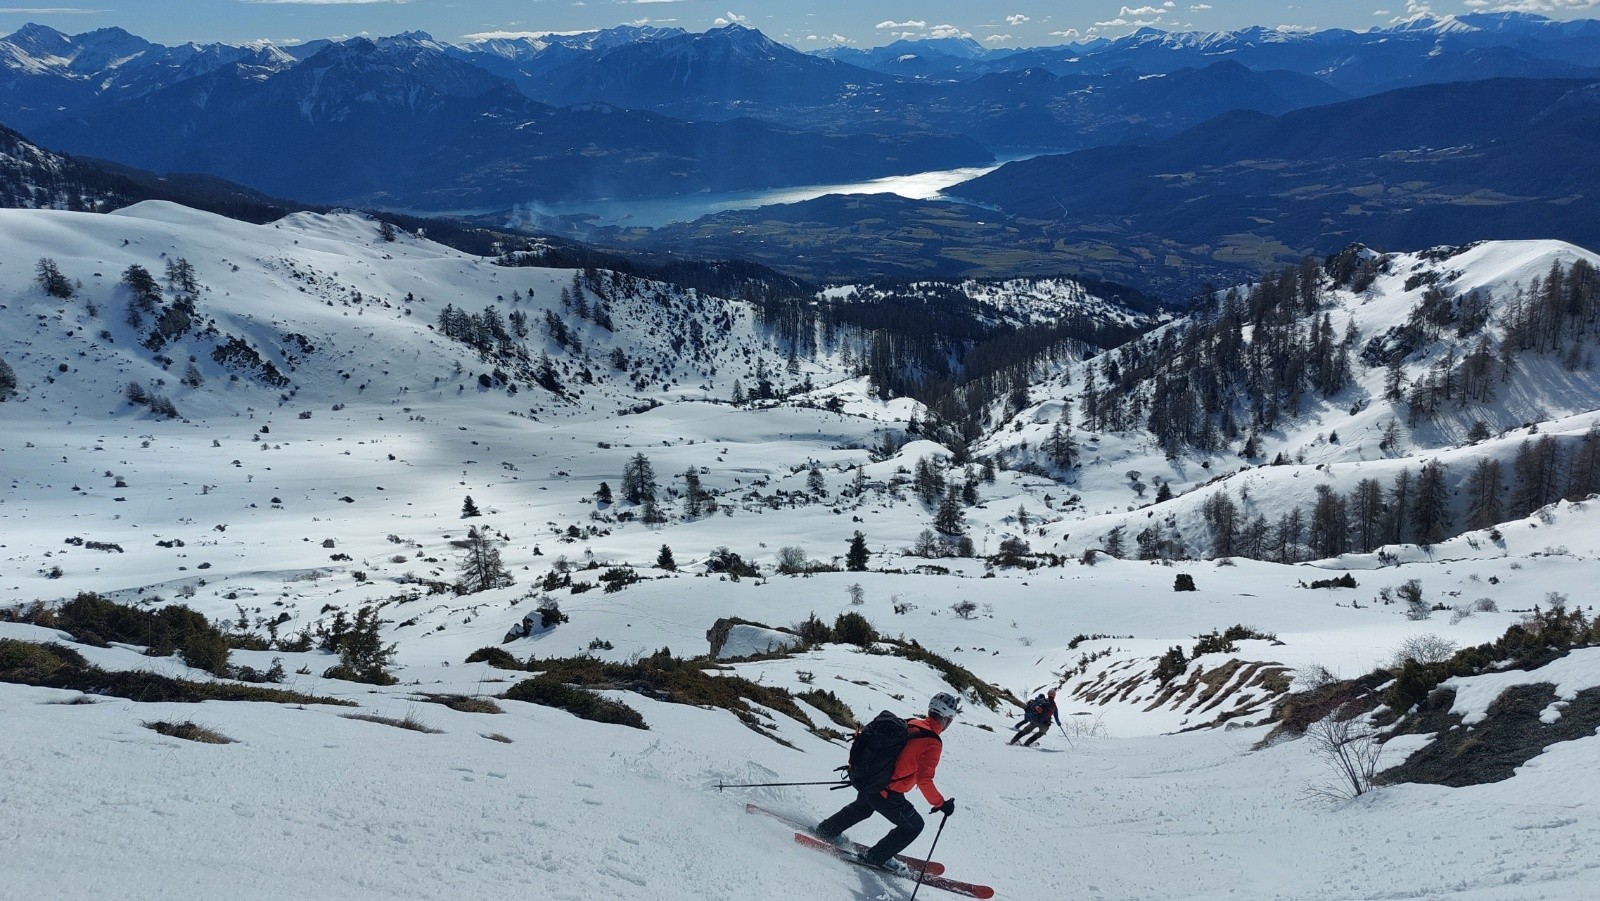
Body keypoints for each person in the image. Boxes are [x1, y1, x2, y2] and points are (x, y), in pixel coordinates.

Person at [813, 692, 960, 876]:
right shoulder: (932, 742)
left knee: (863, 807)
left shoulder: (912, 723)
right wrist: (941, 804)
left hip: (872, 782)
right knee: (914, 825)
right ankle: (875, 857)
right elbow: (924, 780)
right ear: (947, 719)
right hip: (886, 791)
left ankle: (826, 830)